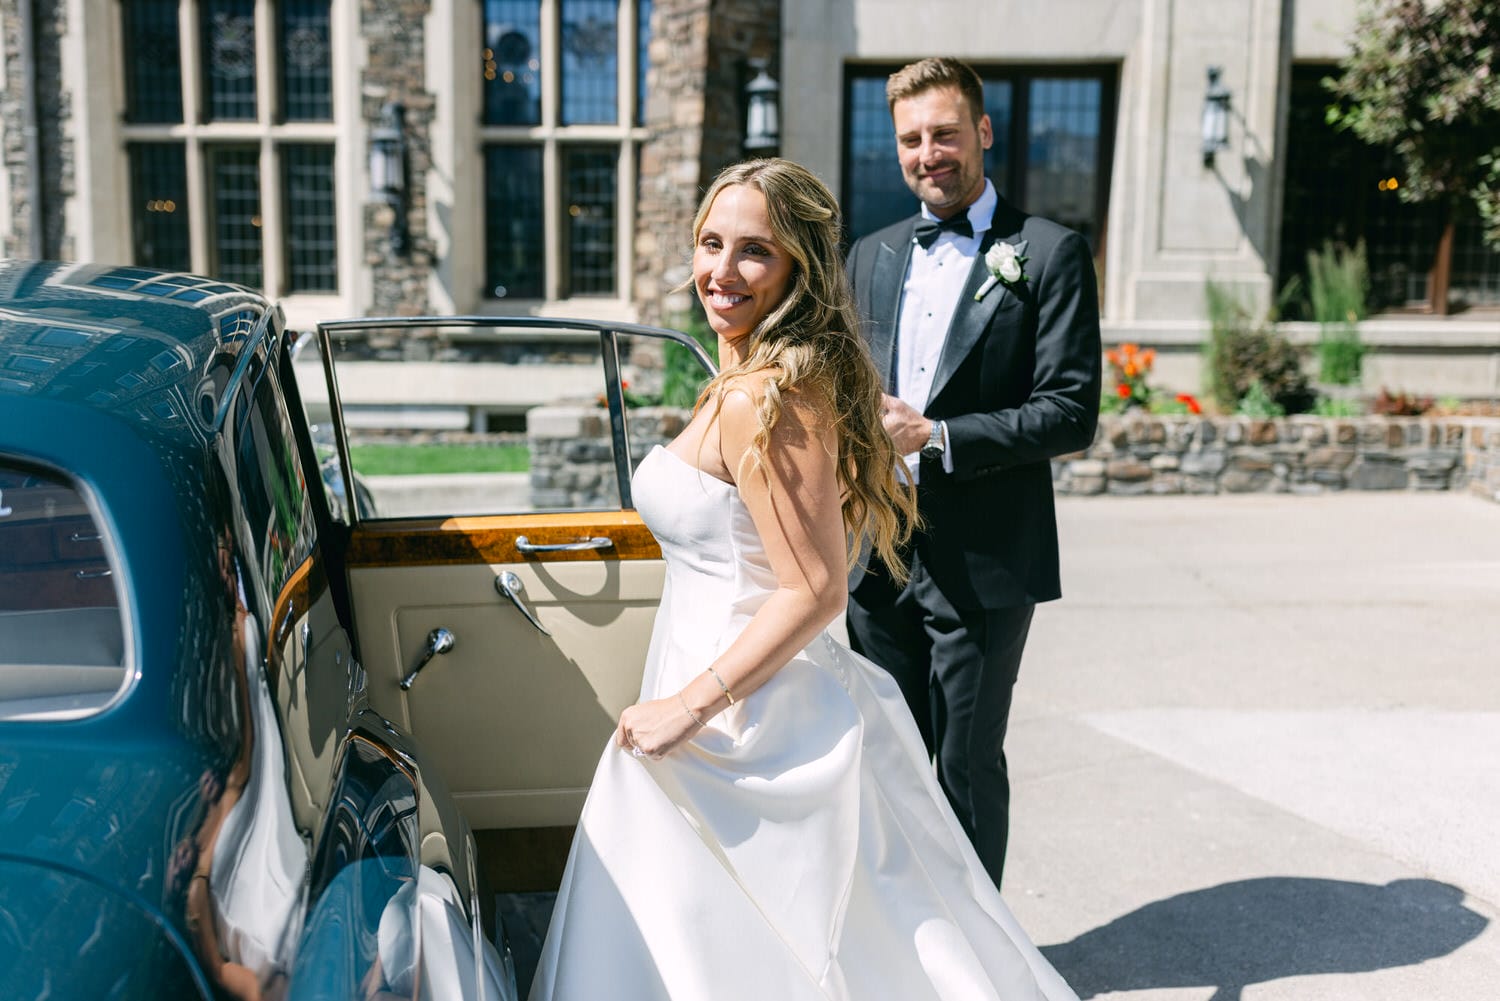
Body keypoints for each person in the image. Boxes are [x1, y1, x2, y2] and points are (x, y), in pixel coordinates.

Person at [528, 157, 1076, 1001]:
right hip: (722, 676)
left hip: (745, 713)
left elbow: (815, 588)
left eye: (755, 251)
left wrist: (689, 704)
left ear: (799, 268)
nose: (721, 269)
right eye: (711, 243)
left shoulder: (768, 397)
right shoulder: (747, 376)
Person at [844, 57, 1102, 889]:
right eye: (913, 139)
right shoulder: (871, 253)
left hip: (985, 557)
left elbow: (1071, 410)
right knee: (885, 761)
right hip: (875, 556)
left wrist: (940, 434)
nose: (930, 153)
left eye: (946, 134)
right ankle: (909, 949)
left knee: (962, 763)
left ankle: (985, 958)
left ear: (983, 133)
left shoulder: (1051, 252)